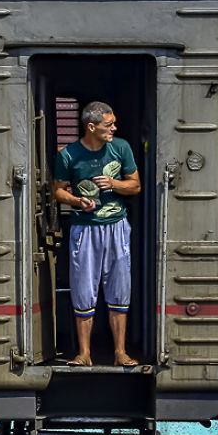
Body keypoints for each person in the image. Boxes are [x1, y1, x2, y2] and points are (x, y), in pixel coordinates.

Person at [53, 101, 141, 367]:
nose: (114, 128)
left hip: (116, 226)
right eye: (108, 124)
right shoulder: (68, 154)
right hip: (84, 228)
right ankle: (84, 353)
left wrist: (114, 183)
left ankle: (119, 353)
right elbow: (57, 190)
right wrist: (78, 202)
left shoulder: (121, 148)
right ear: (91, 127)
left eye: (113, 123)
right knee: (83, 289)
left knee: (119, 288)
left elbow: (136, 185)